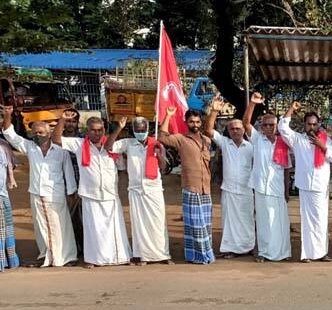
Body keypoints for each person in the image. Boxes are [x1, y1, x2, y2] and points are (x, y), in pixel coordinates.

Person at [52, 114, 131, 268]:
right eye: (93, 130)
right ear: (86, 131)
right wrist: (62, 119)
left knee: (114, 229)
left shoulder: (113, 147)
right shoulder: (79, 144)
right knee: (93, 230)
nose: (97, 133)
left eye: (100, 130)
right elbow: (56, 139)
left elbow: (121, 170)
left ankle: (119, 257)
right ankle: (93, 259)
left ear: (104, 130)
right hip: (90, 195)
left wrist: (119, 188)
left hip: (110, 195)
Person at [3, 107, 77, 267]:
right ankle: (47, 256)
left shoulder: (60, 150)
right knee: (41, 228)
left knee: (60, 226)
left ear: (49, 133)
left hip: (55, 195)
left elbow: (69, 173)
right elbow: (10, 134)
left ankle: (64, 257)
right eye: (34, 133)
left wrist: (71, 192)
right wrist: (7, 116)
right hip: (36, 194)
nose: (37, 136)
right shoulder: (30, 147)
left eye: (40, 133)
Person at [278, 102, 332, 262]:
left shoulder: (325, 139)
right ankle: (307, 254)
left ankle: (321, 253)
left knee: (321, 220)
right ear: (304, 125)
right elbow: (283, 128)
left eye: (314, 124)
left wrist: (322, 146)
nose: (311, 127)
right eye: (309, 124)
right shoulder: (297, 139)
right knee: (306, 221)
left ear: (318, 124)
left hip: (320, 186)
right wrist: (291, 108)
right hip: (305, 185)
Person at [107, 116, 172, 266]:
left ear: (148, 129)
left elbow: (163, 167)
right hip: (136, 190)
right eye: (137, 130)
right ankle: (143, 256)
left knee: (158, 223)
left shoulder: (155, 143)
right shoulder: (128, 144)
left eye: (143, 130)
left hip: (153, 189)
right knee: (139, 225)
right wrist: (119, 128)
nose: (140, 132)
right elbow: (109, 147)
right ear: (133, 131)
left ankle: (162, 255)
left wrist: (160, 155)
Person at [159, 106, 214, 264]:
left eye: (197, 121)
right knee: (194, 225)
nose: (195, 124)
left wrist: (213, 113)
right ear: (186, 122)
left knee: (206, 225)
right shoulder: (181, 139)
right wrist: (168, 115)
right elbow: (162, 137)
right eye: (191, 121)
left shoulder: (206, 140)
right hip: (191, 187)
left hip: (206, 188)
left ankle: (206, 254)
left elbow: (210, 132)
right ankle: (196, 256)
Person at [242, 92, 292, 263]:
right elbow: (245, 123)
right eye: (266, 125)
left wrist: (286, 191)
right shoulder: (257, 139)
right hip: (261, 188)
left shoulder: (283, 143)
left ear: (277, 126)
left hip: (278, 188)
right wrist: (252, 104)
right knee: (264, 222)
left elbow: (286, 169)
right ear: (262, 127)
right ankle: (264, 252)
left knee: (279, 222)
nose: (270, 128)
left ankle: (282, 252)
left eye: (272, 125)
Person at [203, 96, 255, 259]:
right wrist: (214, 111)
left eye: (238, 128)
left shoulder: (252, 147)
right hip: (229, 190)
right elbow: (209, 131)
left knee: (247, 220)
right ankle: (231, 249)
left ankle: (248, 247)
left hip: (247, 190)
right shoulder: (225, 143)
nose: (235, 131)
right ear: (228, 131)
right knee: (229, 222)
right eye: (232, 129)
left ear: (243, 130)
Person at [62, 108, 84, 255]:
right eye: (67, 121)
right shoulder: (57, 139)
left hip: (83, 184)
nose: (70, 124)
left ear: (77, 123)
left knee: (85, 219)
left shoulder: (83, 140)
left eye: (73, 121)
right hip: (65, 185)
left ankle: (85, 247)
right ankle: (73, 249)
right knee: (70, 218)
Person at [0, 143, 19, 272]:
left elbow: (11, 164)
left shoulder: (3, 145)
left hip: (3, 193)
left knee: (7, 227)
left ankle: (10, 261)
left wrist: (11, 179)